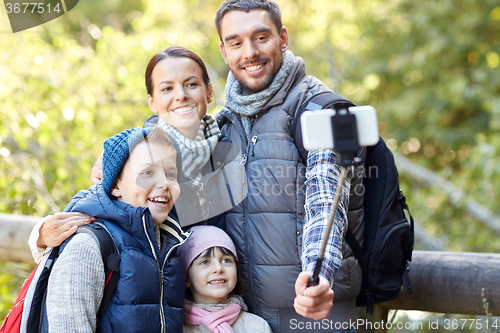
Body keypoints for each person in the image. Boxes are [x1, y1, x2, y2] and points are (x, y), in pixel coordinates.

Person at [212, 1, 365, 332]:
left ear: (283, 38)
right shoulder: (226, 118)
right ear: (224, 52)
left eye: (261, 37)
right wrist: (121, 152)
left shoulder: (321, 109)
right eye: (236, 43)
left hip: (315, 314)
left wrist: (318, 274)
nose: (249, 52)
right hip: (246, 317)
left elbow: (326, 202)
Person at [28, 46, 245, 263]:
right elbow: (94, 207)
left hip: (216, 288)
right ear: (152, 101)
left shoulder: (230, 149)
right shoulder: (133, 154)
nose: (181, 95)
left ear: (209, 92)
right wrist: (41, 235)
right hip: (154, 287)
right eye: (167, 89)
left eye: (191, 84)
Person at [45, 126, 189, 332]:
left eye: (171, 173)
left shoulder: (169, 244)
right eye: (148, 172)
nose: (165, 183)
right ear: (115, 185)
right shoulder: (87, 248)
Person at [178, 225, 272, 333]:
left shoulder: (258, 327)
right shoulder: (174, 327)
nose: (218, 268)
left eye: (226, 260)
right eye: (205, 262)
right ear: (186, 278)